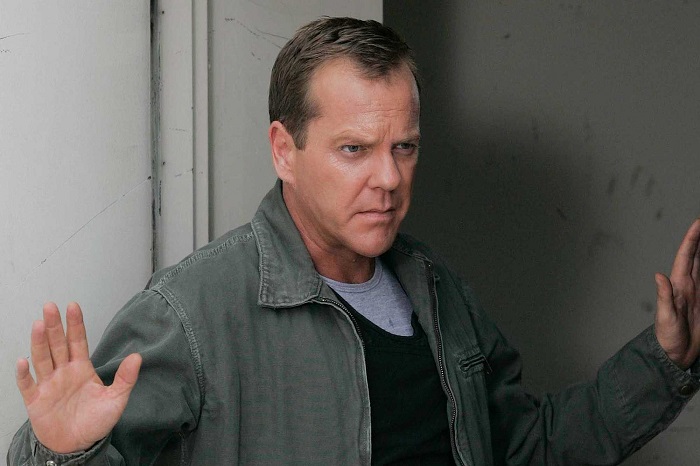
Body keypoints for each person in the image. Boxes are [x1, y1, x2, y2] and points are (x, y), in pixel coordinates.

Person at [8, 16, 700, 466]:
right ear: (285, 149)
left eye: (404, 147)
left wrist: (666, 359)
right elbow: (70, 441)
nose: (389, 179)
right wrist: (60, 454)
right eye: (354, 149)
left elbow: (528, 448)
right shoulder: (191, 311)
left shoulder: (437, 288)